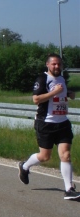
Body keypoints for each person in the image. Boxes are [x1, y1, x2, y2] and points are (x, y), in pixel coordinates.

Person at [18, 54, 79, 200]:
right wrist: (54, 92)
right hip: (45, 123)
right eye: (54, 64)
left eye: (59, 64)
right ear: (48, 65)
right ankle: (24, 167)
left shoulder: (62, 79)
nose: (57, 66)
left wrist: (69, 94)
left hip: (62, 123)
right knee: (45, 156)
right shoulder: (42, 79)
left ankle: (69, 189)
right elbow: (36, 99)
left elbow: (60, 95)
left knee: (66, 155)